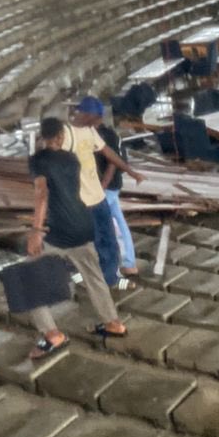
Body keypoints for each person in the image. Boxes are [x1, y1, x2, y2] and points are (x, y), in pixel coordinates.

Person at [27, 116, 127, 358]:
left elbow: (42, 195)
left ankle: (52, 336)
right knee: (93, 276)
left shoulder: (37, 161)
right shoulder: (71, 159)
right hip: (83, 224)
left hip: (58, 231)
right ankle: (114, 323)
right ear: (61, 137)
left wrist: (36, 231)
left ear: (42, 136)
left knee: (27, 280)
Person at [62, 97, 142, 290]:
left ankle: (111, 277)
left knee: (108, 237)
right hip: (83, 198)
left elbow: (110, 156)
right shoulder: (66, 135)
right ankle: (88, 276)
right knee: (93, 239)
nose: (96, 121)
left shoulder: (95, 133)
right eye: (94, 117)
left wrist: (129, 172)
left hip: (100, 194)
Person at [96, 116, 139, 280]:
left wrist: (103, 186)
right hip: (111, 186)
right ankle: (128, 263)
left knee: (108, 225)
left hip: (106, 187)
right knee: (118, 221)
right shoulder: (109, 133)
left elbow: (112, 162)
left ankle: (113, 267)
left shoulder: (103, 136)